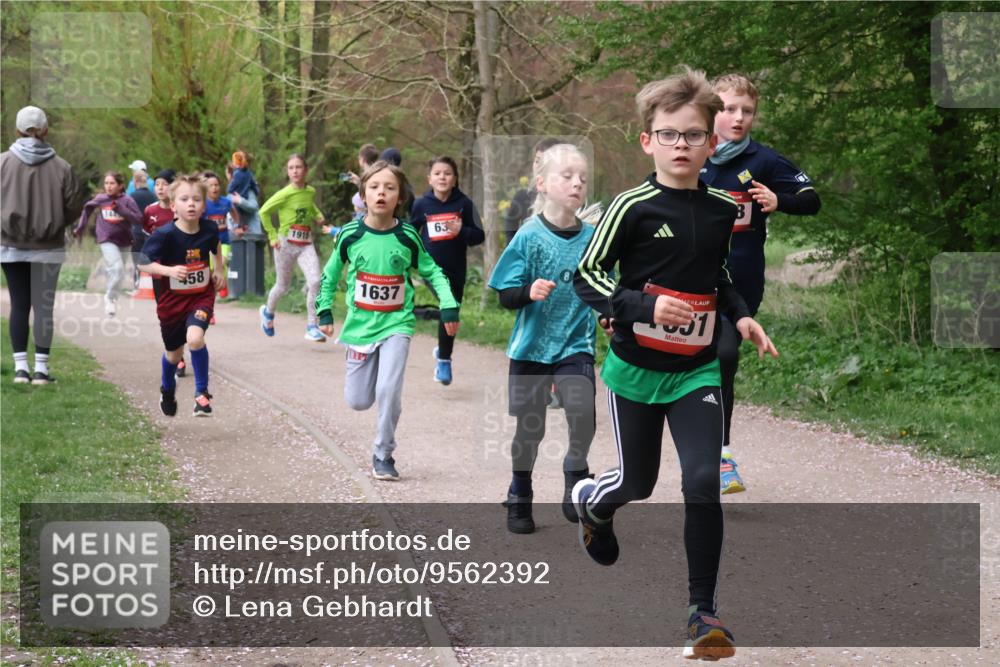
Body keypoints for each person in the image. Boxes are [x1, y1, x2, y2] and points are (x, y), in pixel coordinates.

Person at [572, 67, 778, 660]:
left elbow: (717, 275)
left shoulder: (718, 207)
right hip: (635, 370)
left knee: (700, 481)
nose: (681, 145)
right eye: (669, 134)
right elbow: (585, 274)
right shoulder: (629, 207)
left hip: (696, 369)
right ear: (647, 141)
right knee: (637, 482)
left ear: (711, 142)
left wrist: (739, 314)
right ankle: (595, 503)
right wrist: (642, 304)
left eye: (692, 135)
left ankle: (702, 613)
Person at [701, 73, 821, 495]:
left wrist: (778, 201)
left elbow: (812, 198)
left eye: (746, 111)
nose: (737, 118)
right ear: (712, 111)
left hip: (741, 286)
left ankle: (721, 457)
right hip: (691, 284)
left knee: (724, 358)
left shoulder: (764, 161)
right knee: (696, 365)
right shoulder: (688, 152)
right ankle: (694, 440)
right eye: (728, 109)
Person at [316, 161, 460, 481]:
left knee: (389, 389)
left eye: (390, 188)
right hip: (359, 326)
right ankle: (379, 431)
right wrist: (323, 310)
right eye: (374, 187)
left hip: (398, 323)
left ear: (400, 198)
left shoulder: (408, 236)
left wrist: (449, 305)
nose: (382, 192)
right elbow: (329, 276)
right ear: (363, 195)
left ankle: (384, 453)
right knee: (358, 401)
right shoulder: (350, 235)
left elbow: (432, 271)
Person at [488, 143, 599, 533]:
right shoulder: (528, 237)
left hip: (575, 344)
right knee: (529, 428)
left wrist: (611, 316)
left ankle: (576, 474)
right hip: (531, 348)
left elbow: (604, 287)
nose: (576, 184)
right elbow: (504, 293)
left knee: (582, 411)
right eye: (566, 176)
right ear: (542, 184)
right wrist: (528, 292)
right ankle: (520, 492)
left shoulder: (593, 239)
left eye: (582, 178)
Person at [0, 106, 78, 385]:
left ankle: (21, 369)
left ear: (18, 130)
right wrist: (56, 223)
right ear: (45, 130)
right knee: (43, 308)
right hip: (49, 246)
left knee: (19, 305)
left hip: (10, 245)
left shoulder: (2, 163)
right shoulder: (62, 167)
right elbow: (72, 208)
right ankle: (41, 371)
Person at [138, 174, 225, 417]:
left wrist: (218, 270)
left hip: (200, 296)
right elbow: (142, 263)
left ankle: (202, 394)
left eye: (197, 199)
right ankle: (167, 388)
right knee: (173, 355)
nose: (191, 204)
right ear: (173, 205)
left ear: (204, 205)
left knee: (196, 338)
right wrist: (168, 270)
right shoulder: (164, 235)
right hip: (171, 302)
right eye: (184, 199)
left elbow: (216, 246)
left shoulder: (208, 228)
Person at [409, 156, 484, 385]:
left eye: (448, 173)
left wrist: (461, 230)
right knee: (447, 304)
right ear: (430, 179)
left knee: (451, 314)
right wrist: (412, 259)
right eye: (438, 173)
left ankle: (443, 351)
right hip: (431, 269)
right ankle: (444, 360)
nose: (443, 177)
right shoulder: (421, 204)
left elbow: (479, 236)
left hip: (456, 270)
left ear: (455, 179)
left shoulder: (464, 204)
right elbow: (411, 233)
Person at [257, 153, 327, 342]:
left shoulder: (310, 191)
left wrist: (318, 216)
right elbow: (263, 211)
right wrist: (272, 235)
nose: (295, 171)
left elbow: (310, 206)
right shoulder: (284, 194)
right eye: (291, 168)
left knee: (315, 281)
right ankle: (268, 314)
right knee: (282, 285)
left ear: (306, 170)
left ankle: (312, 326)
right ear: (288, 172)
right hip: (285, 244)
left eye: (298, 167)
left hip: (306, 244)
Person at [75, 171, 142, 317]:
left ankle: (112, 296)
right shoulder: (101, 199)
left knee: (120, 273)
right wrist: (80, 228)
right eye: (106, 183)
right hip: (106, 238)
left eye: (112, 183)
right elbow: (87, 208)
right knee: (117, 268)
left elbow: (138, 219)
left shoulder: (127, 200)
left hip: (124, 240)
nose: (108, 186)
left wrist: (121, 210)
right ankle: (110, 298)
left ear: (120, 185)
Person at [503, 137, 561, 245]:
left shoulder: (568, 198)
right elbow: (510, 228)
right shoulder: (522, 196)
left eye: (544, 162)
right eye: (537, 160)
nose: (538, 166)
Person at [201, 170, 239, 307]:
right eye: (211, 185)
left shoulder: (226, 202)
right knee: (212, 269)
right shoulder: (203, 204)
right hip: (209, 243)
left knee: (221, 263)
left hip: (224, 241)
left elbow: (234, 213)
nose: (215, 188)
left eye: (217, 185)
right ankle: (212, 294)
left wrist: (236, 226)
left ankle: (220, 285)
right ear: (206, 188)